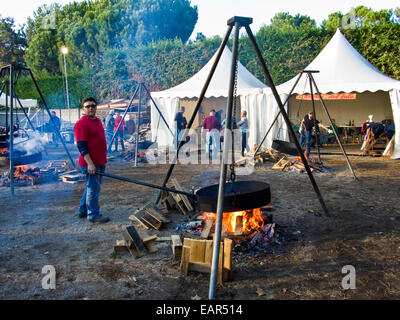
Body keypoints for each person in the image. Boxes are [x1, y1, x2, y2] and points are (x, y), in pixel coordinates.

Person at [74, 97, 109, 223]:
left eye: (93, 106)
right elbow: (81, 146)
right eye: (87, 106)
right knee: (93, 189)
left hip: (100, 161)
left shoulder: (98, 121)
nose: (91, 108)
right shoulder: (81, 123)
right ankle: (93, 215)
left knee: (91, 187)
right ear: (83, 109)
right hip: (90, 164)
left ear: (96, 107)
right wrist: (90, 164)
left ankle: (83, 211)